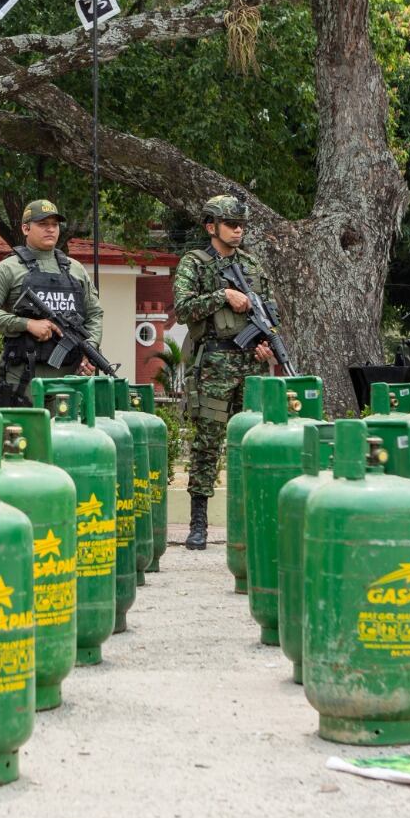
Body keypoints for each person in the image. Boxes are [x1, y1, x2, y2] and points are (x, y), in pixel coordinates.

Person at [173, 194, 277, 551]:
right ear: (211, 226)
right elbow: (183, 308)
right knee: (207, 445)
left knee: (252, 442)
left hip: (251, 364)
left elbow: (267, 313)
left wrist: (266, 345)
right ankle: (198, 523)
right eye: (231, 224)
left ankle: (249, 520)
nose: (238, 230)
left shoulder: (251, 265)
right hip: (215, 364)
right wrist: (222, 296)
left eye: (241, 225)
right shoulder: (195, 262)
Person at [0, 199, 105, 407]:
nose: (51, 230)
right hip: (22, 377)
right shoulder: (8, 269)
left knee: (69, 438)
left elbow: (95, 314)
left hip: (68, 379)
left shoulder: (76, 270)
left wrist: (89, 350)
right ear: (26, 228)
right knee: (23, 436)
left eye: (54, 225)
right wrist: (27, 324)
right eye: (43, 224)